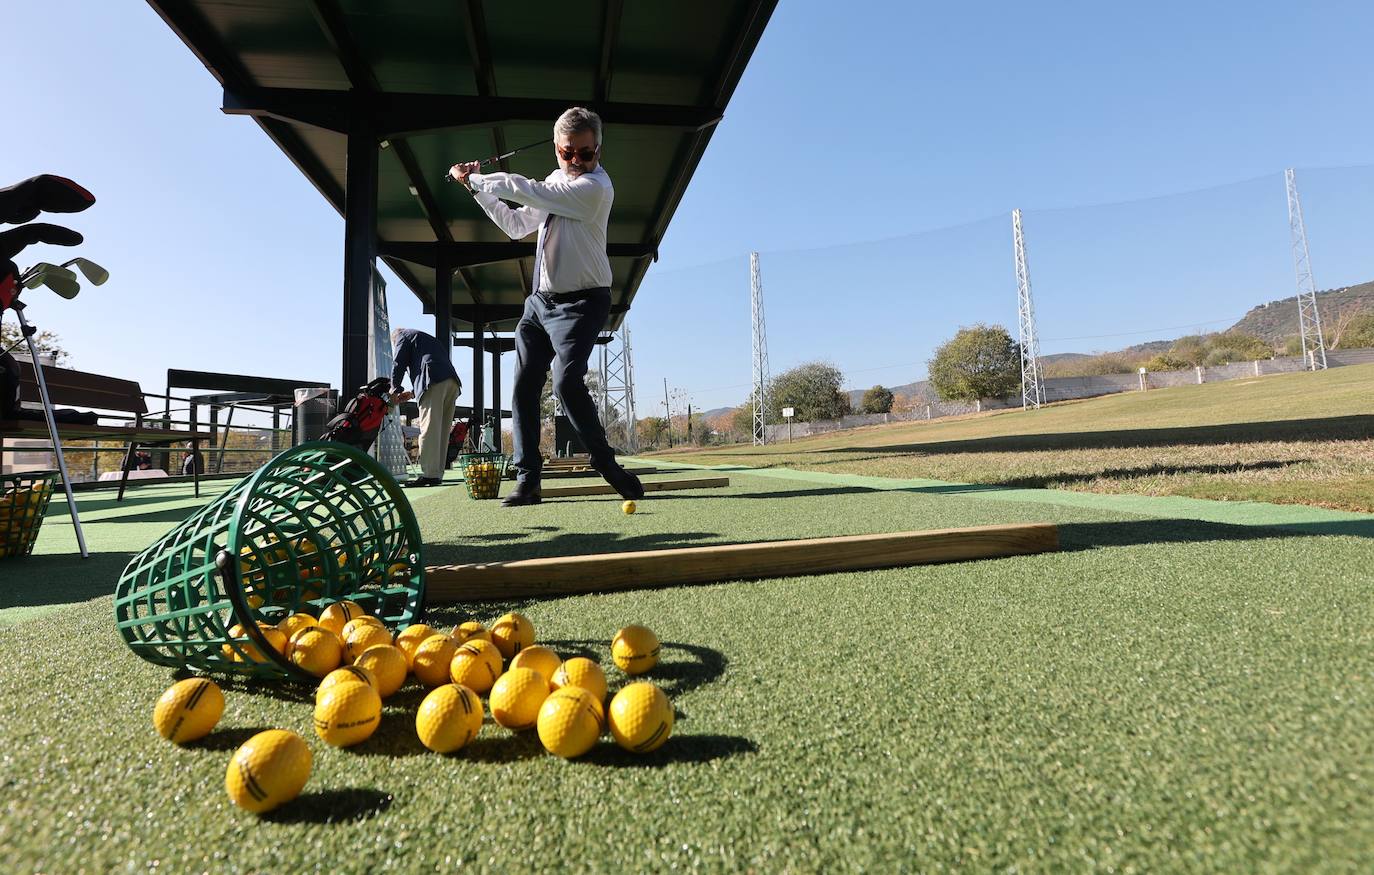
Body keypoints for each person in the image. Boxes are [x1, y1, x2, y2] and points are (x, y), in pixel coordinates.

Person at [450, 107, 644, 507]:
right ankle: (529, 480)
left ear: (598, 151)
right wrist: (478, 191)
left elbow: (527, 190)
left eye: (586, 154)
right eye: (570, 153)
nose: (577, 162)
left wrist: (476, 177)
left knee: (566, 384)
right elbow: (516, 224)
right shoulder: (558, 180)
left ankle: (608, 466)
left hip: (583, 301)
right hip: (539, 303)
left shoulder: (595, 189)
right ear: (558, 149)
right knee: (522, 388)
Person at [390, 327, 461, 487]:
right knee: (442, 431)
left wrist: (394, 388)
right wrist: (413, 392)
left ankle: (429, 474)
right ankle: (436, 474)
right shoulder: (423, 338)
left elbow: (398, 362)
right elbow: (430, 362)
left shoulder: (402, 336)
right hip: (452, 382)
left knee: (428, 429)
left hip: (433, 382)